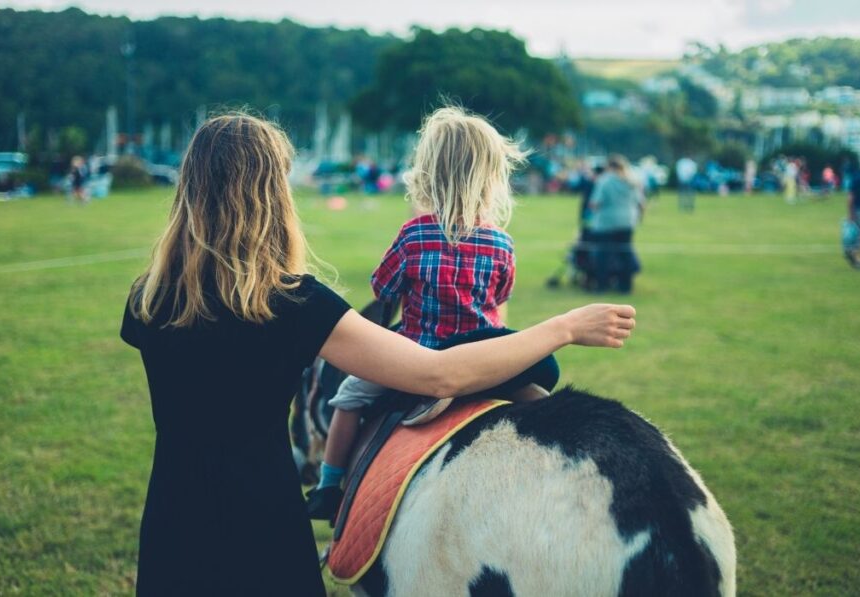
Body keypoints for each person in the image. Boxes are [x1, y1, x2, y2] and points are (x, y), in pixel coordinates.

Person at [119, 114, 636, 595]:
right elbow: (437, 375)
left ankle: (330, 482)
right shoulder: (294, 302)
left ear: (188, 189)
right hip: (265, 522)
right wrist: (566, 326)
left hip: (173, 519)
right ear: (271, 195)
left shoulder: (148, 299)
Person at [307, 106, 559, 520]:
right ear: (492, 176)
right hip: (484, 361)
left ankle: (329, 486)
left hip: (415, 358)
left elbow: (382, 288)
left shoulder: (414, 233)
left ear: (427, 171)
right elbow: (499, 297)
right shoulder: (501, 243)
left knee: (349, 399)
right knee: (541, 403)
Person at [585, 155, 645, 293]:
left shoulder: (605, 181)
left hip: (606, 222)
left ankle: (602, 285)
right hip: (628, 221)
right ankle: (626, 285)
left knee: (603, 255)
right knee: (625, 253)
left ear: (609, 167)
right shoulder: (633, 181)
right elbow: (641, 203)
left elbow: (595, 203)